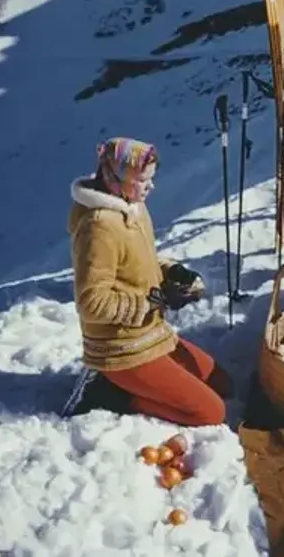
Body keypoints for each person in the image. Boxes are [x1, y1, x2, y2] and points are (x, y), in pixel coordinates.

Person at [69, 137, 231, 427]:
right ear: (114, 178)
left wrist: (172, 273)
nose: (151, 186)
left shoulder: (132, 206)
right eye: (143, 180)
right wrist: (150, 302)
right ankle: (110, 393)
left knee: (222, 383)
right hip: (120, 347)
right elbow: (91, 302)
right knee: (210, 413)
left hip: (151, 333)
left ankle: (133, 385)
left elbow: (137, 264)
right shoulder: (99, 227)